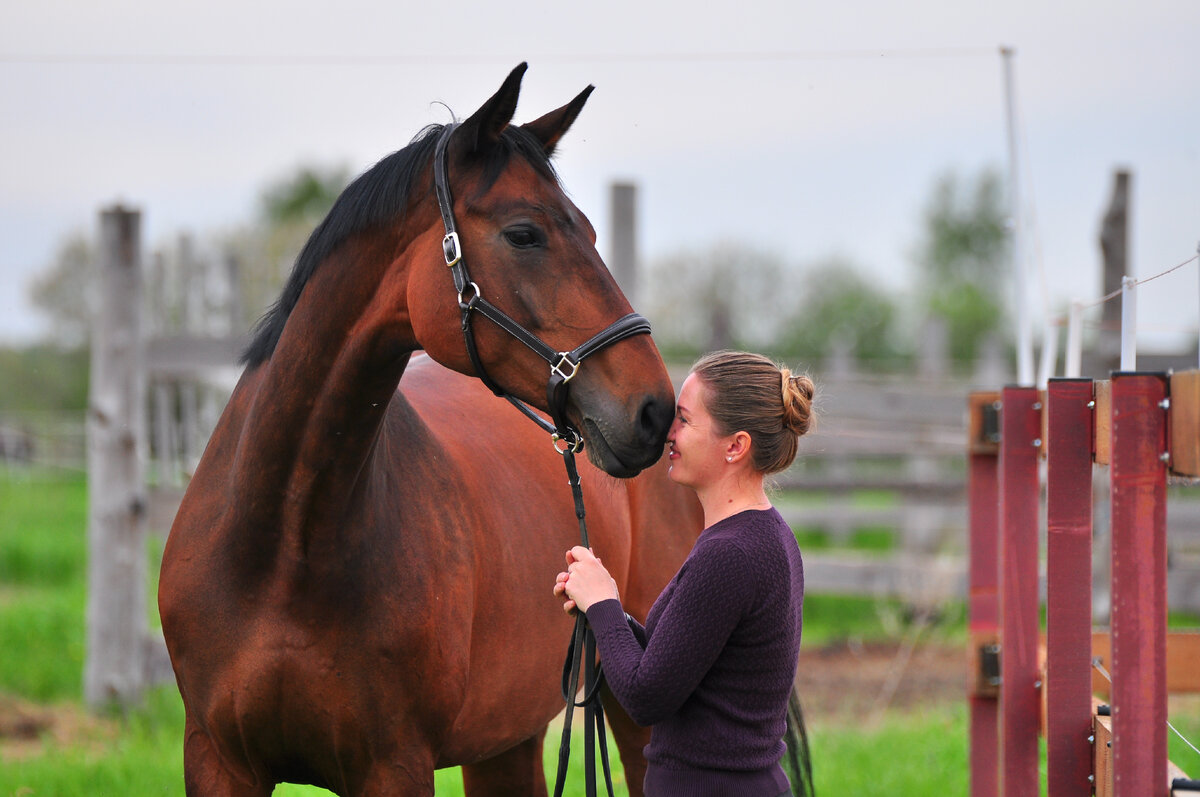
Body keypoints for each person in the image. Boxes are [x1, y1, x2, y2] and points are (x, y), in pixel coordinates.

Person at [553, 350, 815, 797]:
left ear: (735, 446)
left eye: (686, 421)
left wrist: (603, 605)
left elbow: (645, 695)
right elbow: (679, 662)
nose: (669, 434)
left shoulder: (729, 555)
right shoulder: (766, 536)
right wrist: (603, 605)